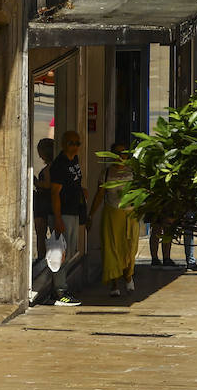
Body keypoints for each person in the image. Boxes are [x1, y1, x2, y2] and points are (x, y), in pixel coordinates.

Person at [89, 142, 137, 297]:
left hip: (130, 216)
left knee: (130, 249)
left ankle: (128, 275)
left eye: (124, 153)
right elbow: (99, 195)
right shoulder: (106, 173)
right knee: (111, 249)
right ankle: (114, 283)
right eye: (117, 153)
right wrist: (91, 214)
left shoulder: (133, 172)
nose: (120, 156)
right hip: (111, 216)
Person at [47, 130, 86, 306]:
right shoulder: (59, 165)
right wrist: (58, 218)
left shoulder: (74, 160)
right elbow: (55, 193)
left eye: (78, 143)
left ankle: (60, 286)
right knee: (60, 253)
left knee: (68, 252)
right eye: (71, 143)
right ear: (63, 144)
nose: (75, 147)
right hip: (62, 213)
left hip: (74, 211)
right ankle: (59, 291)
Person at [31, 137, 54, 265]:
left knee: (40, 231)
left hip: (44, 202)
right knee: (42, 232)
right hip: (46, 202)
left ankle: (42, 258)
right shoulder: (53, 166)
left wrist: (35, 182)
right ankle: (43, 257)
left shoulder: (50, 168)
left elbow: (48, 185)